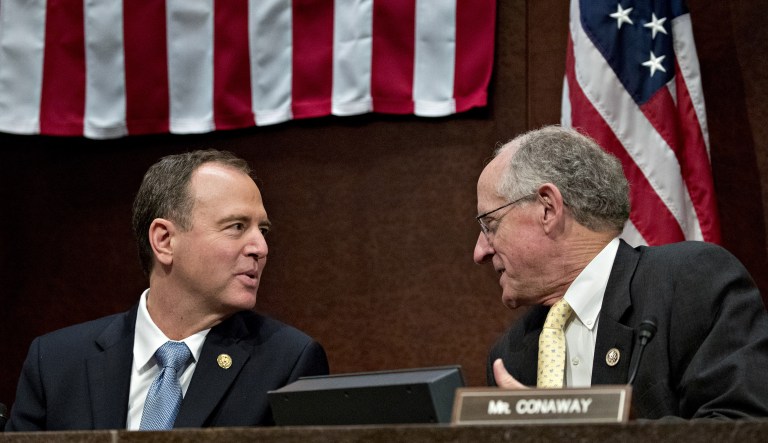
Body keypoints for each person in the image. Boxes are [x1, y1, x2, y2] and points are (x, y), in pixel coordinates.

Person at [6, 150, 329, 431]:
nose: (260, 247)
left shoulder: (289, 363)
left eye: (263, 230)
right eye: (237, 226)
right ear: (164, 240)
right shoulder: (57, 362)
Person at [474, 126, 768, 419]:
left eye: (490, 224)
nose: (479, 252)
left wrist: (593, 431)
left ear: (548, 209)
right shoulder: (510, 355)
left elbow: (744, 426)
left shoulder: (693, 283)